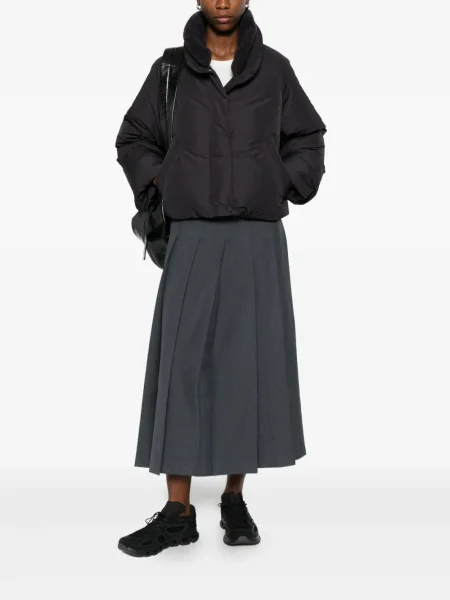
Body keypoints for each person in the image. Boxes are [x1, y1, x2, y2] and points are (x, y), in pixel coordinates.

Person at [114, 0, 326, 557]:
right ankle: (178, 511)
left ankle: (234, 498)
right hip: (194, 235)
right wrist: (165, 180)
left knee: (244, 367)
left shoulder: (275, 69)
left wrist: (279, 179)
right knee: (181, 366)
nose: (224, 1)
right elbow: (133, 138)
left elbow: (308, 138)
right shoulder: (170, 70)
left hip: (257, 237)